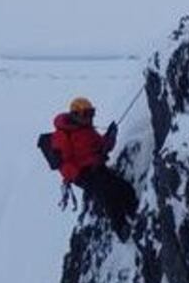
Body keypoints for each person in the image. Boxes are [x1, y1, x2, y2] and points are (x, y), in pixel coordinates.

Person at [50, 97, 137, 236]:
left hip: (96, 168)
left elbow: (101, 146)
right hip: (83, 174)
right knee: (108, 194)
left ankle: (134, 212)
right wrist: (79, 175)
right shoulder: (63, 135)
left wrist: (110, 137)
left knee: (124, 188)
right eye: (86, 114)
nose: (90, 118)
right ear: (75, 115)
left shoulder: (87, 129)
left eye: (91, 113)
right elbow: (63, 163)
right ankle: (120, 228)